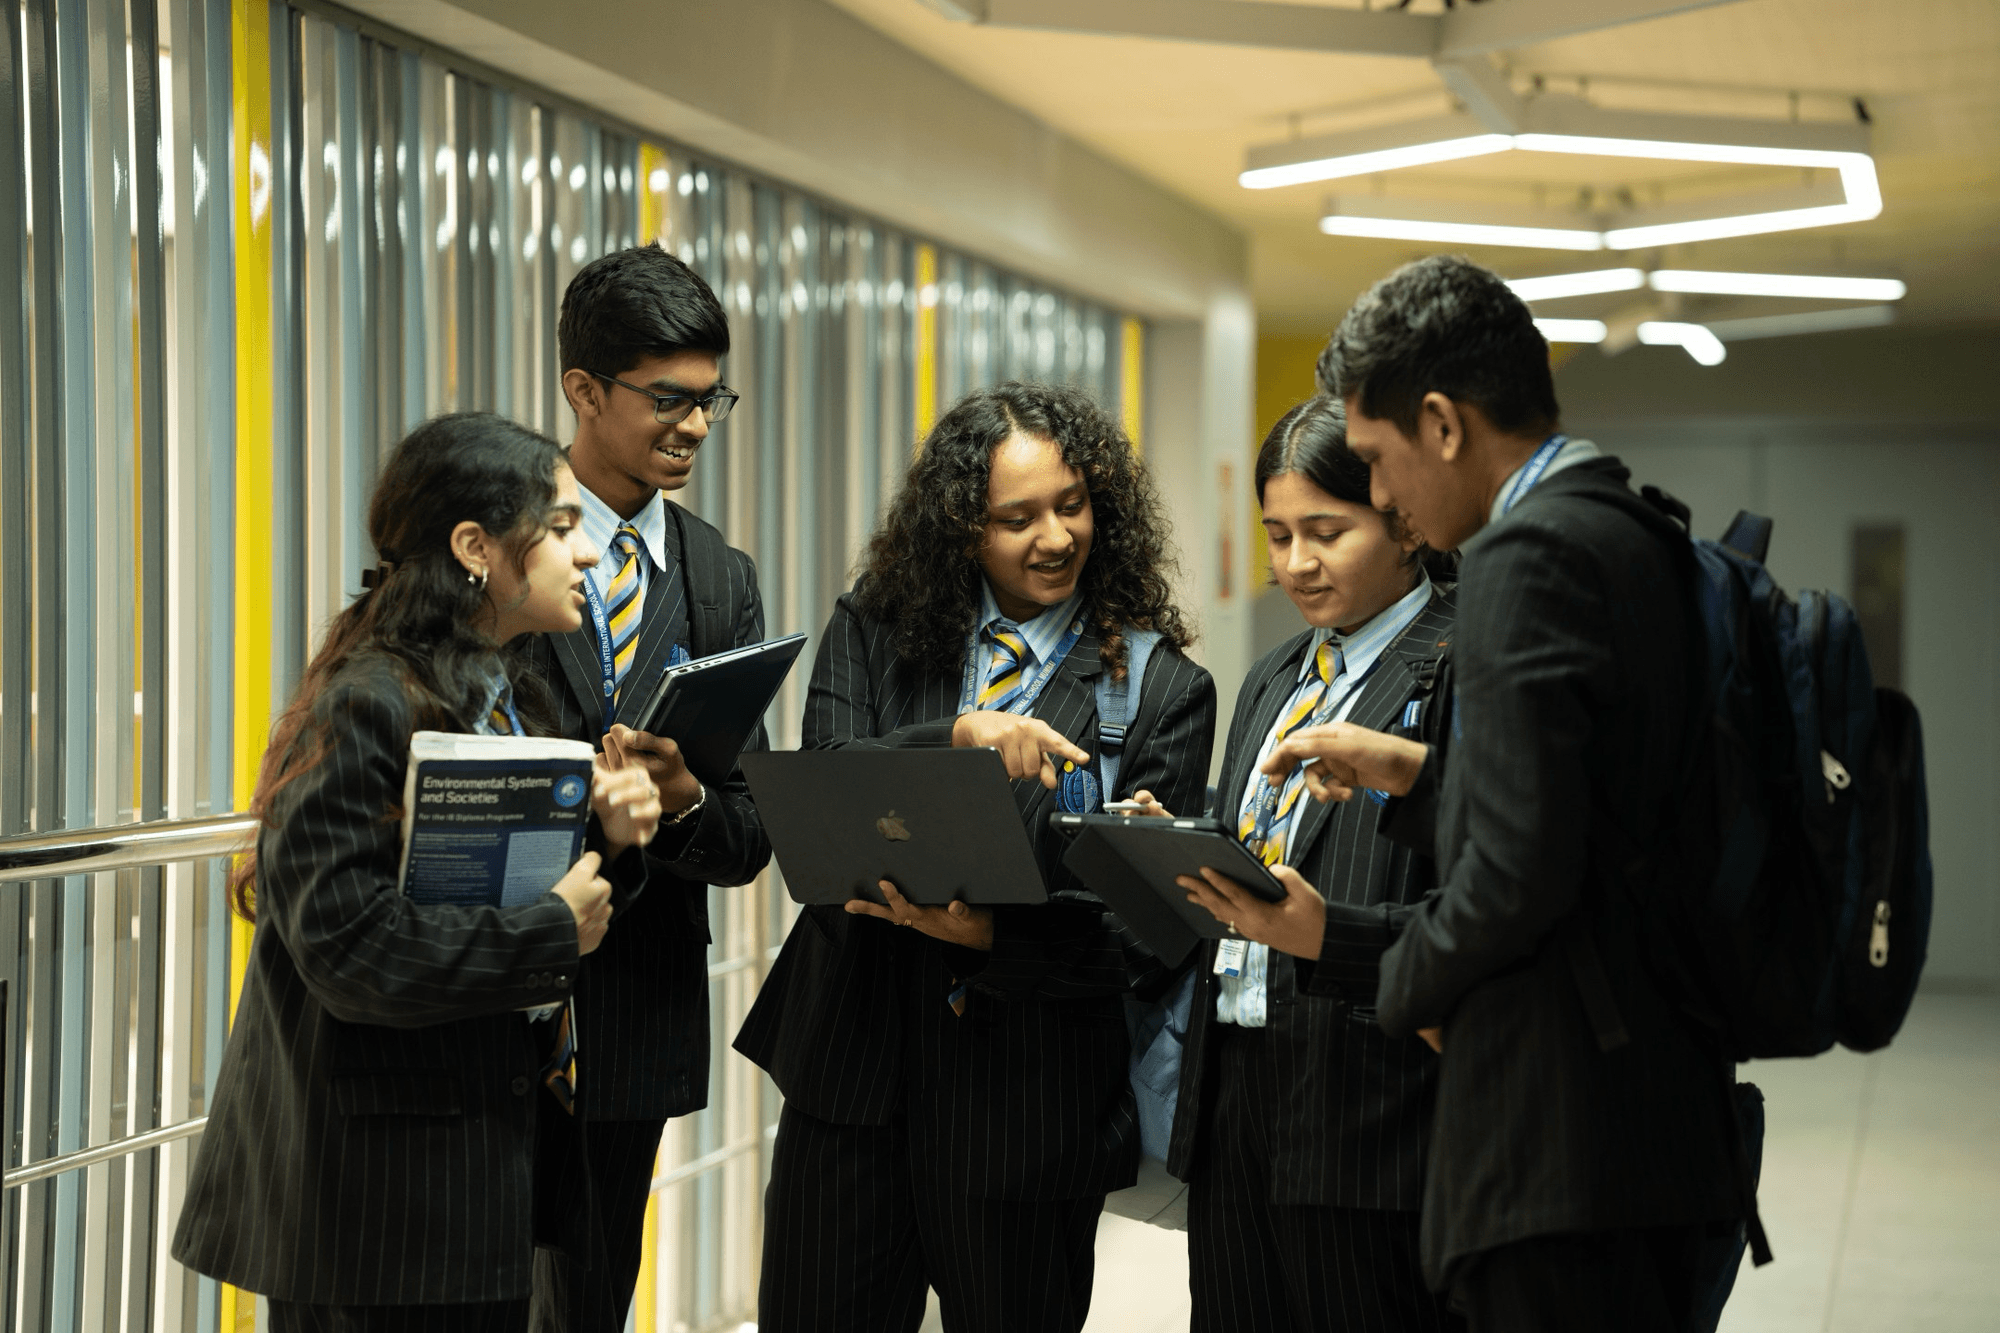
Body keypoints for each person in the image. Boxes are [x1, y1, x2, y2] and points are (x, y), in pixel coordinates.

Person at [1267, 254, 1741, 1332]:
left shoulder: (1523, 557)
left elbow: (1518, 873)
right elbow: (1596, 808)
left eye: (1378, 460)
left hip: (1561, 1147)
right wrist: (1419, 773)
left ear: (1440, 422)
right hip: (1657, 1115)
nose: (1378, 493)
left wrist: (1401, 990)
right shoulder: (1629, 523)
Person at [734, 381, 1217, 1333]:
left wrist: (993, 933)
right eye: (1016, 517)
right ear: (961, 527)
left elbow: (1152, 931)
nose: (1054, 537)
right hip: (853, 1080)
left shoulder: (1161, 688)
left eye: (1072, 505)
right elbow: (820, 785)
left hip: (1027, 1105)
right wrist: (952, 736)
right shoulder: (875, 629)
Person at [172, 412, 662, 1331]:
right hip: (371, 1199)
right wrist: (551, 929)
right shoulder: (364, 702)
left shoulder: (510, 689)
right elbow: (348, 948)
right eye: (558, 528)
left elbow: (537, 889)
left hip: (474, 1171)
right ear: (475, 547)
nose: (587, 554)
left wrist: (614, 841)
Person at [1133, 395, 1463, 1333]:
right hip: (1239, 1082)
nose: (1296, 564)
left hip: (1377, 1101)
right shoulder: (1276, 674)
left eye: (1328, 531)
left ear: (1403, 522)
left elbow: (1474, 899)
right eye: (1278, 535)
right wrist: (1179, 843)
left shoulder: (1461, 660)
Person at [520, 243, 774, 1333]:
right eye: (667, 399)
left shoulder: (720, 577)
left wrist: (680, 804)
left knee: (588, 1298)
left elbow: (750, 835)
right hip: (492, 989)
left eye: (710, 398)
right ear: (583, 390)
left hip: (638, 1008)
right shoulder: (495, 532)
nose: (696, 427)